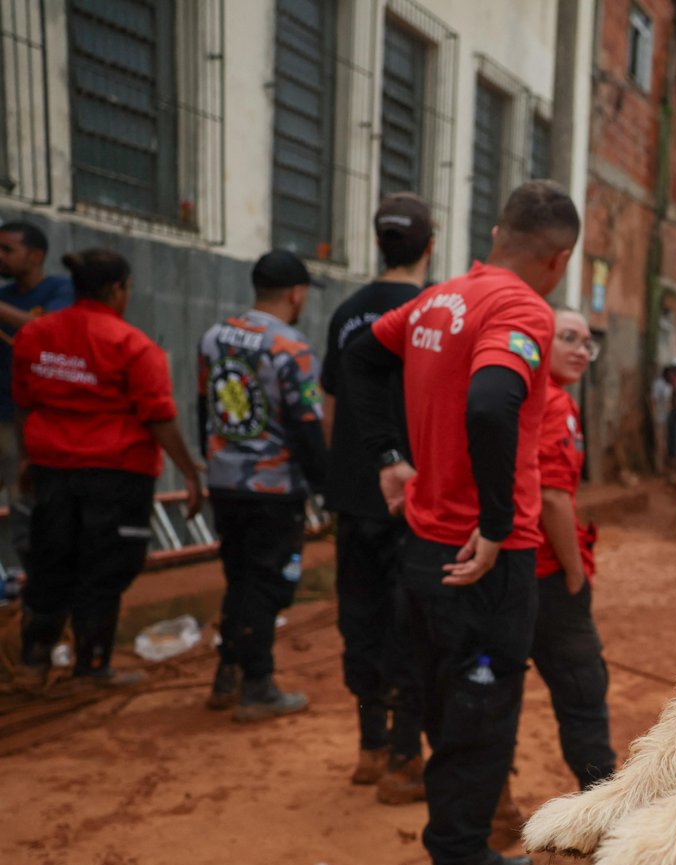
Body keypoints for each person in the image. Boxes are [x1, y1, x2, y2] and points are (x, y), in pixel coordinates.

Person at [342, 179, 579, 865]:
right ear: (558, 257)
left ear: (495, 232)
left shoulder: (439, 299)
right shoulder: (521, 309)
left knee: (449, 710)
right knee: (480, 728)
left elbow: (357, 356)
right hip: (485, 560)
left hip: (423, 550)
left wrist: (387, 456)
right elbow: (489, 405)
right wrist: (487, 524)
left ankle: (472, 858)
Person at [12, 248, 201, 690]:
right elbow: (159, 418)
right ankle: (91, 668)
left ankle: (33, 665)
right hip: (116, 476)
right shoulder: (134, 346)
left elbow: (25, 404)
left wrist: (27, 457)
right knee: (105, 568)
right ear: (117, 290)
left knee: (50, 561)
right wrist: (190, 473)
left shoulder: (35, 336)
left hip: (52, 469)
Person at [321, 193, 434, 798]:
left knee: (359, 617)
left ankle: (368, 744)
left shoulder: (345, 313)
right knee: (410, 621)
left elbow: (332, 412)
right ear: (430, 245)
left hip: (353, 490)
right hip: (415, 496)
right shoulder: (436, 309)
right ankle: (402, 755)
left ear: (376, 242)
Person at [198, 250, 328, 722]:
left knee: (240, 576)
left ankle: (227, 671)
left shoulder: (214, 338)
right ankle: (258, 685)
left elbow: (203, 406)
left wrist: (209, 461)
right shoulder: (290, 347)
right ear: (296, 294)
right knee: (269, 585)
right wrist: (325, 489)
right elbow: (307, 424)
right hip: (272, 488)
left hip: (224, 479)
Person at [527, 308, 616, 789]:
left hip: (504, 569)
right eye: (568, 339)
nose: (581, 351)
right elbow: (552, 498)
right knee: (583, 690)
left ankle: (496, 811)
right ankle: (600, 812)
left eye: (587, 343)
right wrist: (574, 572)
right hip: (546, 574)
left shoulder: (513, 393)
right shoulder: (555, 403)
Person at [0, 220, 75, 580]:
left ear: (36, 255)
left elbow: (41, 329)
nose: (0, 257)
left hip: (27, 422)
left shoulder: (61, 291)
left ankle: (39, 589)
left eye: (6, 250)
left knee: (24, 505)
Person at [650, 362, 676, 473]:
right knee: (659, 443)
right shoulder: (659, 385)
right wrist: (653, 416)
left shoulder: (669, 385)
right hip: (659, 418)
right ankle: (658, 467)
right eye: (671, 374)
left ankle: (663, 465)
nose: (672, 376)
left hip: (667, 418)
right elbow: (653, 400)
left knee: (665, 443)